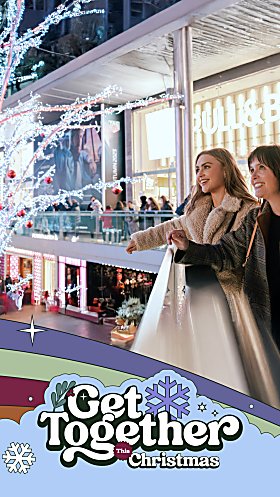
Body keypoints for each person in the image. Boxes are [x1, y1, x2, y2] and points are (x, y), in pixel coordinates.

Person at [168, 145, 280, 351]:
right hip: (266, 321)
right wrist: (187, 247)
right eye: (252, 169)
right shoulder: (255, 219)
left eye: (261, 167)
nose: (254, 175)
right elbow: (226, 253)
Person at [127, 148, 257, 301]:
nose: (200, 174)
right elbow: (170, 227)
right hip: (202, 296)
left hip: (237, 301)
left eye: (206, 167)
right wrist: (140, 240)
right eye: (197, 169)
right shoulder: (197, 214)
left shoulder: (247, 210)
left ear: (225, 170)